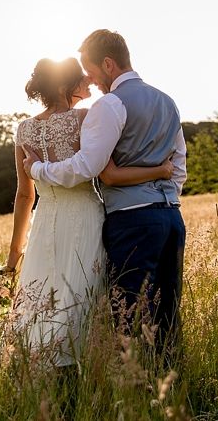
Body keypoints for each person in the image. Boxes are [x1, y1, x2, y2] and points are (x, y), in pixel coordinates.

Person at [23, 30, 187, 359]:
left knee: (130, 312)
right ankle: (169, 387)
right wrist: (163, 190)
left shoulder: (110, 105)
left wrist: (38, 170)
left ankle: (137, 388)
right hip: (171, 217)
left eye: (92, 70)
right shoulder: (166, 100)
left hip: (132, 220)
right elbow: (178, 163)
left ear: (108, 64)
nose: (91, 80)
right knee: (167, 312)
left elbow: (88, 166)